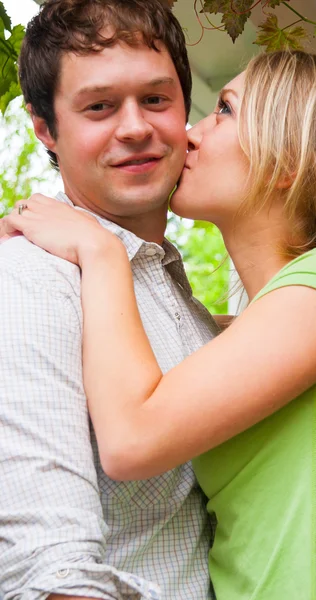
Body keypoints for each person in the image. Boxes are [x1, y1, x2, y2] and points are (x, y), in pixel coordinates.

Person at [4, 50, 316, 600]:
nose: (190, 133)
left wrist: (99, 251)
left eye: (225, 111)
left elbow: (132, 441)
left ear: (288, 160)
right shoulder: (274, 319)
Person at [0, 1, 220, 599]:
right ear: (45, 128)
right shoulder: (31, 282)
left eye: (156, 99)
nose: (135, 127)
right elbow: (55, 574)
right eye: (99, 106)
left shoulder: (177, 295)